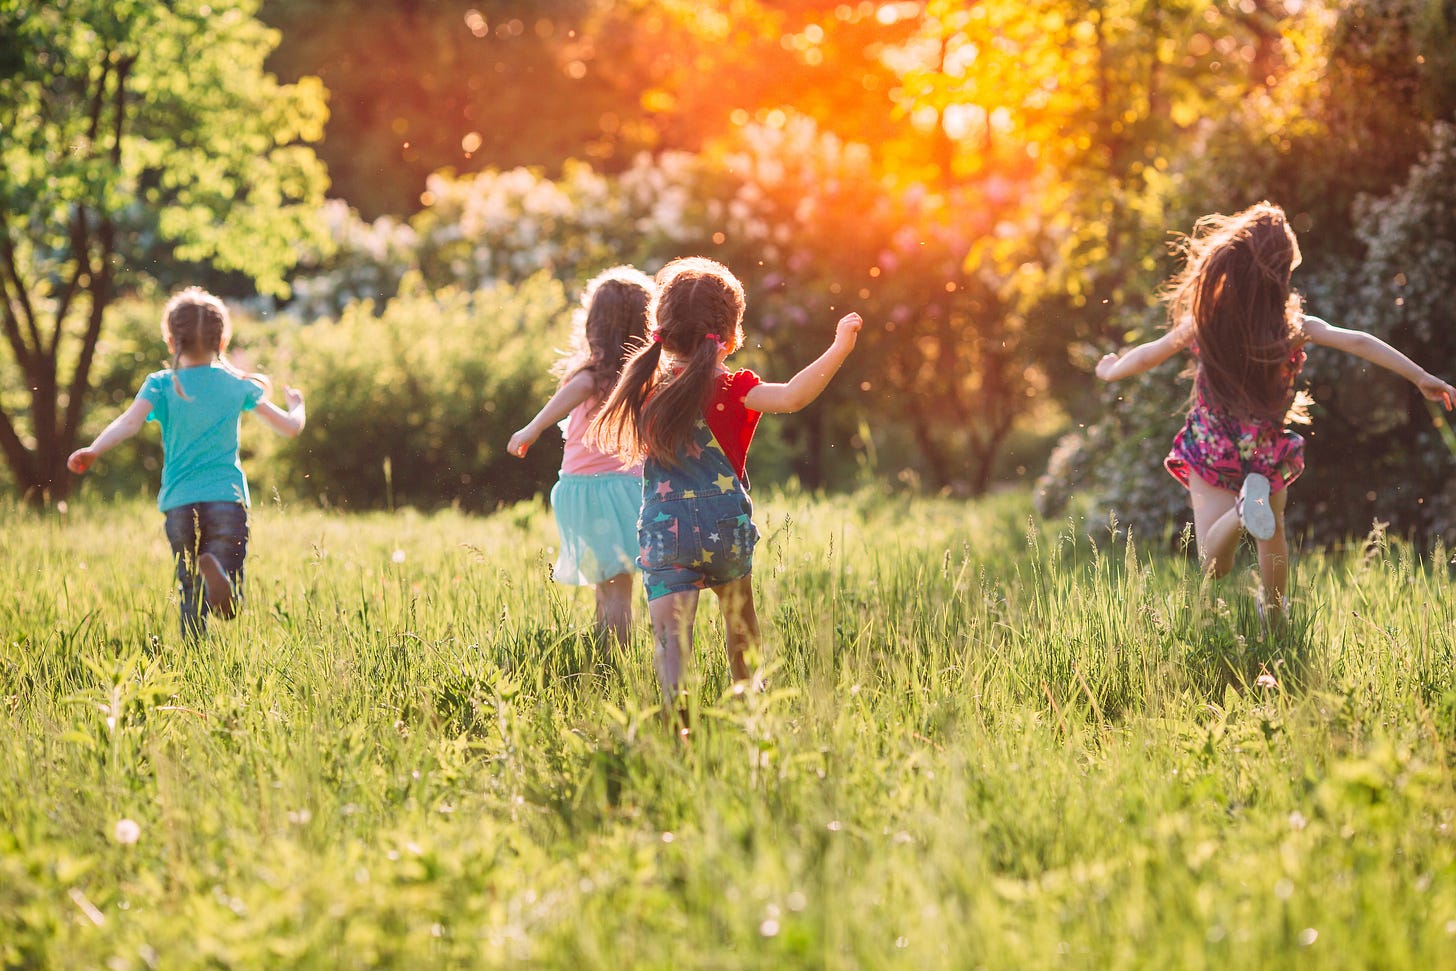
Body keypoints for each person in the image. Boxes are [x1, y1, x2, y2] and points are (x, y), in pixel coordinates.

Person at [1095, 202, 1455, 622]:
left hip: (1211, 446)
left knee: (1215, 562)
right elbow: (1358, 341)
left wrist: (1111, 369)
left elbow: (1149, 355)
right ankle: (1276, 617)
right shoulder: (1293, 327)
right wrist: (1420, 376)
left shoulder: (1206, 321)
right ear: (1280, 273)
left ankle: (1241, 512)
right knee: (1275, 534)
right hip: (1265, 448)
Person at [588, 256, 862, 717]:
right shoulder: (734, 388)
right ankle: (750, 712)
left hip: (664, 531)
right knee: (741, 628)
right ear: (732, 335)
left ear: (661, 327)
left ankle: (679, 725)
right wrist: (839, 347)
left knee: (671, 642)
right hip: (724, 528)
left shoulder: (644, 385)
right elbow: (794, 395)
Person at [68, 287, 306, 637]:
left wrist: (94, 449)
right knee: (226, 581)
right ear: (222, 340)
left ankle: (195, 660)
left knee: (189, 590)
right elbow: (289, 428)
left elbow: (128, 423)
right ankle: (224, 586)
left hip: (180, 504)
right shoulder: (236, 384)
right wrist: (297, 405)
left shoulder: (162, 384)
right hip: (227, 500)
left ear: (170, 340)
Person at [507, 265, 655, 650]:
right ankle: (609, 650)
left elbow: (550, 412)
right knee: (614, 585)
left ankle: (613, 656)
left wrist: (530, 430)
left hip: (590, 493)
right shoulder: (643, 379)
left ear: (595, 324)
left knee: (610, 585)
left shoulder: (592, 377)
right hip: (624, 490)